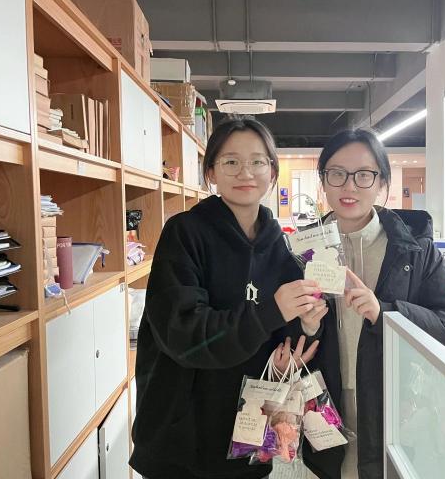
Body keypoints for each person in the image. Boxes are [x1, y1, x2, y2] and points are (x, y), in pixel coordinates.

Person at [130, 116, 327, 479]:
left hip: (249, 437)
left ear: (272, 171)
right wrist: (270, 311)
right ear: (211, 172)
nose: (245, 172)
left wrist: (307, 326)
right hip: (182, 440)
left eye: (257, 161)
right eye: (231, 161)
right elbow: (184, 335)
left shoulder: (281, 247)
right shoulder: (184, 234)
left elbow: (284, 336)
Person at [298, 128, 445, 479]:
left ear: (382, 183)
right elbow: (284, 334)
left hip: (392, 405)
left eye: (364, 175)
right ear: (324, 182)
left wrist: (386, 314)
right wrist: (306, 325)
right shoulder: (304, 248)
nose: (349, 186)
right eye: (337, 174)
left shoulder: (414, 249)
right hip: (324, 400)